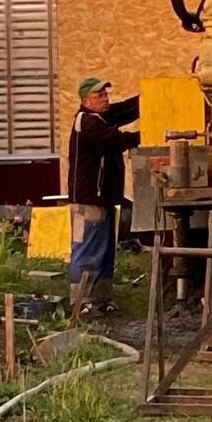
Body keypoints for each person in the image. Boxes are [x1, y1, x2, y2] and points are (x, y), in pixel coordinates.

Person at [68, 77, 141, 314]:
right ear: (85, 100)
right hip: (88, 200)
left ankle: (101, 299)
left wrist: (147, 99)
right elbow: (116, 140)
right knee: (87, 250)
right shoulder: (87, 122)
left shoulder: (100, 118)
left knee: (105, 250)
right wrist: (147, 134)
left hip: (103, 199)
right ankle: (80, 301)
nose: (105, 99)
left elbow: (123, 111)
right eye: (99, 96)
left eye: (106, 95)